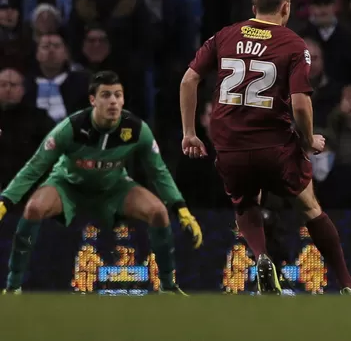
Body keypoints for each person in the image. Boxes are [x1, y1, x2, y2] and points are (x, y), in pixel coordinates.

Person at [179, 0, 351, 296]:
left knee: (245, 205)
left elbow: (188, 80)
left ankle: (262, 257)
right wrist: (308, 140)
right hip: (274, 143)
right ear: (286, 7)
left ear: (254, 8)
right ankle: (348, 284)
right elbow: (300, 103)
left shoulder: (225, 35)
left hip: (230, 144)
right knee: (309, 207)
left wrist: (189, 133)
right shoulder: (293, 43)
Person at [0, 71, 202, 294]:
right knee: (34, 208)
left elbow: (159, 172)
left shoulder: (135, 129)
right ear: (93, 100)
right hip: (68, 185)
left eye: (118, 95)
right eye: (106, 95)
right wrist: (5, 201)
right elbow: (34, 167)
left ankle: (168, 287)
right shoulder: (72, 127)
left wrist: (181, 209)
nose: (113, 101)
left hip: (114, 187)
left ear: (124, 99)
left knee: (158, 212)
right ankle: (13, 286)